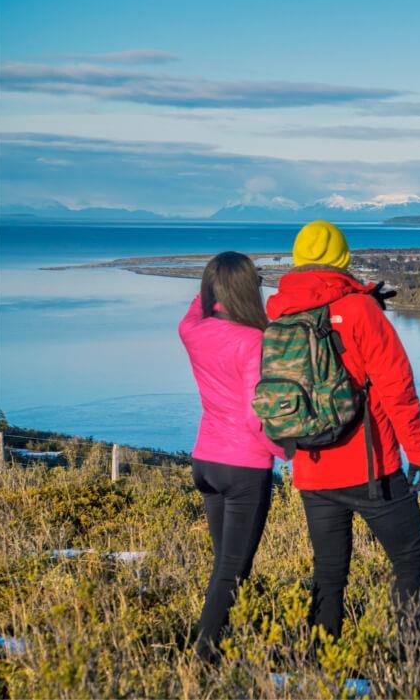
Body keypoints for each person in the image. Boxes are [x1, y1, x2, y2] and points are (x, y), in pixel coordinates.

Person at [265, 220, 420, 641]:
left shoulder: (281, 312)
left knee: (328, 574)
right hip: (371, 470)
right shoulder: (360, 310)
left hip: (311, 467)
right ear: (342, 259)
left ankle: (323, 662)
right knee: (410, 561)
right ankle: (413, 662)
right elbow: (398, 389)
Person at [178, 251, 287, 662]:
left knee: (225, 565)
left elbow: (195, 308)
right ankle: (203, 661)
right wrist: (287, 451)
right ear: (248, 289)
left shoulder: (192, 330)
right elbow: (255, 415)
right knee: (232, 571)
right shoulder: (254, 341)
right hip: (243, 466)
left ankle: (219, 648)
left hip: (205, 460)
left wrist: (212, 282)